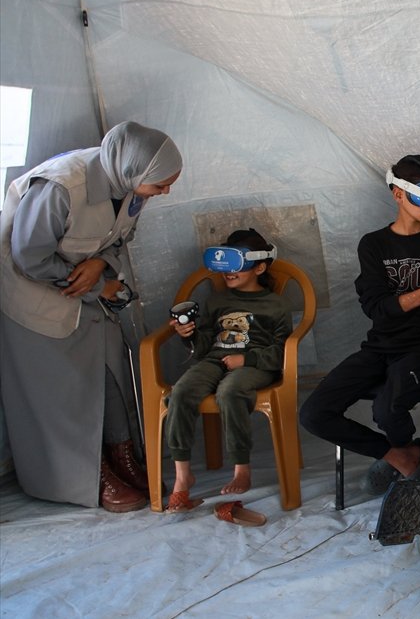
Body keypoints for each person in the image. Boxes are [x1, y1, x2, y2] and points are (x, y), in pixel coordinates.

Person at [0, 121, 183, 511]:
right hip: (34, 296)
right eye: (161, 185)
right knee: (63, 391)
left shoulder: (128, 183)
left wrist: (102, 263)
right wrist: (98, 285)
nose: (165, 192)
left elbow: (121, 237)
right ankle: (88, 476)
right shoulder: (60, 188)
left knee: (110, 374)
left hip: (86, 290)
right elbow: (29, 257)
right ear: (133, 169)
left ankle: (122, 456)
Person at [299, 155, 420, 495]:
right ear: (398, 194)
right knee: (314, 413)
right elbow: (378, 310)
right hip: (380, 347)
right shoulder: (374, 244)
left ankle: (409, 471)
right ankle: (403, 457)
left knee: (386, 408)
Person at [161, 229, 293, 512]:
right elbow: (203, 345)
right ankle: (183, 477)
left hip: (255, 365)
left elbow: (282, 350)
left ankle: (241, 468)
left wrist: (247, 360)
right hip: (213, 360)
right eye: (225, 266)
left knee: (230, 391)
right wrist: (188, 335)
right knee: (180, 392)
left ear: (259, 267)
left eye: (236, 265)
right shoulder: (216, 301)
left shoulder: (276, 304)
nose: (228, 273)